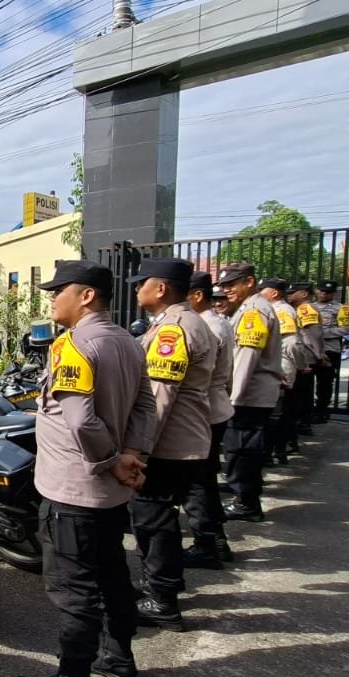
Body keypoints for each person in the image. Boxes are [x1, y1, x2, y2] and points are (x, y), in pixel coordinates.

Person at [13, 260, 156, 677]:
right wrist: (134, 452)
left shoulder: (72, 346)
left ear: (87, 295)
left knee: (74, 591)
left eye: (59, 291)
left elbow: (80, 420)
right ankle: (120, 660)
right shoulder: (128, 343)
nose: (52, 299)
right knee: (113, 574)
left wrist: (113, 461)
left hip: (74, 491)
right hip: (110, 495)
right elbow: (146, 405)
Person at [127, 259, 217, 631]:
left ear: (160, 288)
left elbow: (160, 397)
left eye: (141, 284)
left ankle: (161, 599)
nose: (136, 290)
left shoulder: (174, 330)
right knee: (158, 517)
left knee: (154, 520)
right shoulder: (183, 322)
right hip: (184, 438)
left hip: (168, 443)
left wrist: (139, 451)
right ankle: (161, 585)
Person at [216, 264, 284, 523]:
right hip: (251, 394)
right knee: (241, 448)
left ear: (250, 282)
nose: (226, 291)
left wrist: (234, 399)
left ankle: (246, 502)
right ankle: (242, 493)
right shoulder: (248, 309)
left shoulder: (254, 312)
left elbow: (246, 358)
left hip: (249, 395)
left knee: (242, 449)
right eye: (224, 286)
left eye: (232, 285)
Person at [183, 274, 236, 568]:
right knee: (205, 480)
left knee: (197, 482)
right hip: (215, 406)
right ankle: (216, 539)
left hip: (203, 408)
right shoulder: (218, 322)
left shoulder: (205, 326)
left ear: (197, 296)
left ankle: (208, 543)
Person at [262, 278, 304, 464]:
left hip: (281, 364)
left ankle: (274, 453)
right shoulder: (274, 309)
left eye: (263, 289)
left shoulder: (282, 310)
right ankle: (280, 450)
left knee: (276, 413)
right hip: (278, 364)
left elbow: (292, 343)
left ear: (274, 293)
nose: (259, 292)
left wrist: (296, 366)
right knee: (280, 412)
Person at [289, 283, 326, 437]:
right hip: (303, 355)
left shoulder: (305, 309)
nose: (289, 295)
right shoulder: (298, 309)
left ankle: (303, 423)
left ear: (304, 294)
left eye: (293, 292)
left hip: (306, 356)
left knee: (303, 393)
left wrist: (320, 355)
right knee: (301, 392)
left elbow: (313, 335)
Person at [311, 281, 346, 422]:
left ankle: (322, 410)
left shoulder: (341, 308)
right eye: (322, 291)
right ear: (316, 291)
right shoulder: (308, 307)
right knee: (306, 382)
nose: (324, 294)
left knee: (325, 382)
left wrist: (321, 333)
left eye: (328, 292)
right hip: (310, 349)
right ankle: (307, 411)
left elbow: (345, 329)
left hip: (330, 349)